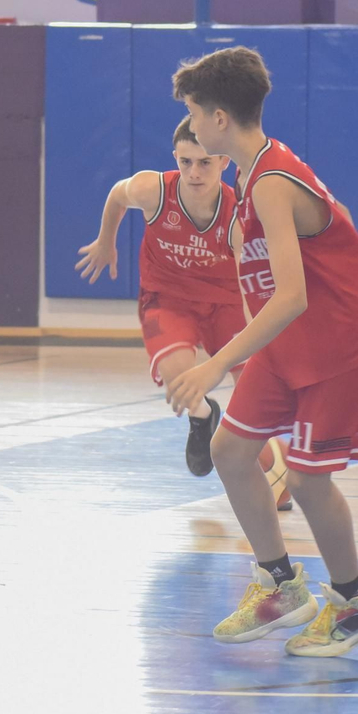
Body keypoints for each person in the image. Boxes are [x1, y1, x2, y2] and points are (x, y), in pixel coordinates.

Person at [165, 46, 358, 657]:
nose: (191, 126)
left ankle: (357, 603)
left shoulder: (272, 180)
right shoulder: (259, 172)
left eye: (196, 114)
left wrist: (215, 361)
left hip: (335, 346)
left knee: (305, 480)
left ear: (220, 118)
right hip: (290, 344)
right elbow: (338, 218)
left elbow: (294, 297)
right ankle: (279, 584)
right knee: (230, 450)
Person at [76, 116, 255, 481]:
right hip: (168, 296)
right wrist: (107, 241)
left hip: (226, 301)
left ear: (224, 161)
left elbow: (248, 280)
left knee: (254, 386)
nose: (194, 172)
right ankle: (203, 416)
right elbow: (116, 196)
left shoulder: (238, 215)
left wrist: (257, 335)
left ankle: (268, 471)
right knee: (179, 379)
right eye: (185, 162)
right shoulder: (153, 189)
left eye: (205, 162)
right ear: (175, 158)